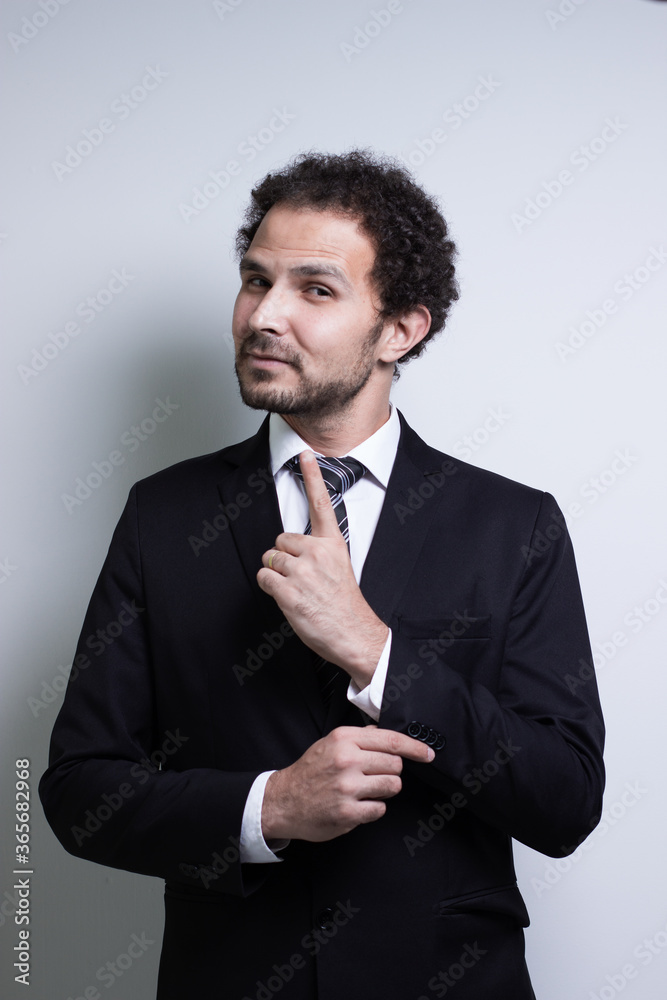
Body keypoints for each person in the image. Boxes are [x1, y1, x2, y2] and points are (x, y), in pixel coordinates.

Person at [40, 150, 605, 999]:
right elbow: (78, 790)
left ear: (399, 330)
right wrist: (266, 808)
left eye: (314, 290)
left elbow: (564, 801)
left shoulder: (512, 525)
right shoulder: (163, 515)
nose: (263, 315)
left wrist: (377, 654)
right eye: (254, 280)